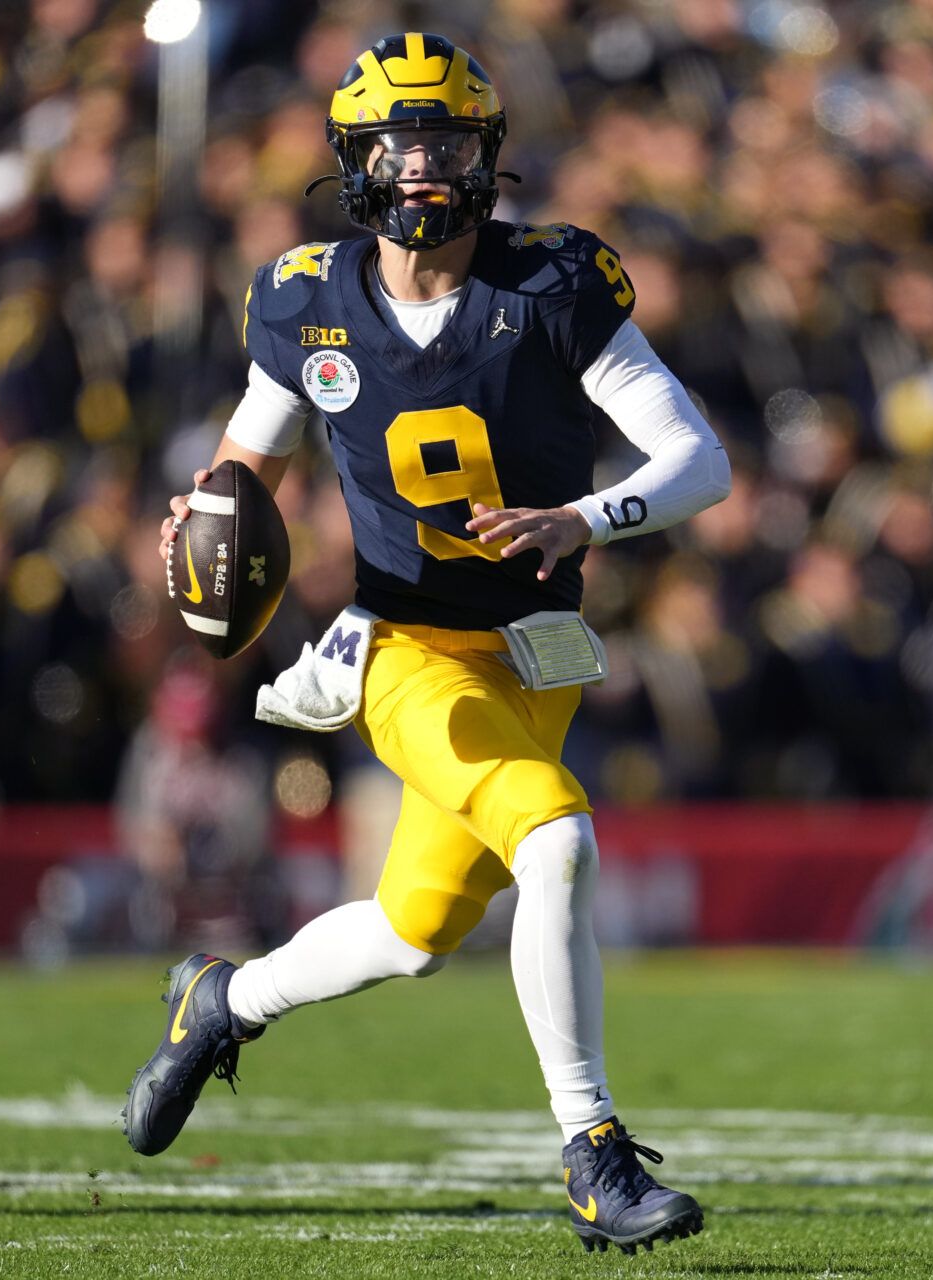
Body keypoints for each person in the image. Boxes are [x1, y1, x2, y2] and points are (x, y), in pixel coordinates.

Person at [122, 34, 729, 1257]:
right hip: (404, 648)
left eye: (447, 140)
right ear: (354, 159)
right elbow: (252, 454)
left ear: (487, 154)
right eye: (399, 142)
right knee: (555, 837)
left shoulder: (552, 286)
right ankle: (593, 1151)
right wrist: (207, 505)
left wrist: (583, 514)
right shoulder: (308, 299)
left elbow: (698, 461)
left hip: (539, 646)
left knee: (413, 931)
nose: (421, 167)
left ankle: (222, 999)